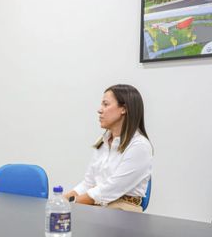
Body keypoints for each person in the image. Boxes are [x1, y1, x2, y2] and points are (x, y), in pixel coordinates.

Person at [64, 84, 153, 212]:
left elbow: (109, 190)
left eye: (105, 104)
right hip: (99, 207)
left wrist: (70, 203)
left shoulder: (140, 146)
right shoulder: (103, 141)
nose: (99, 110)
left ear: (124, 109)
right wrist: (60, 200)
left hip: (123, 210)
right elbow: (88, 183)